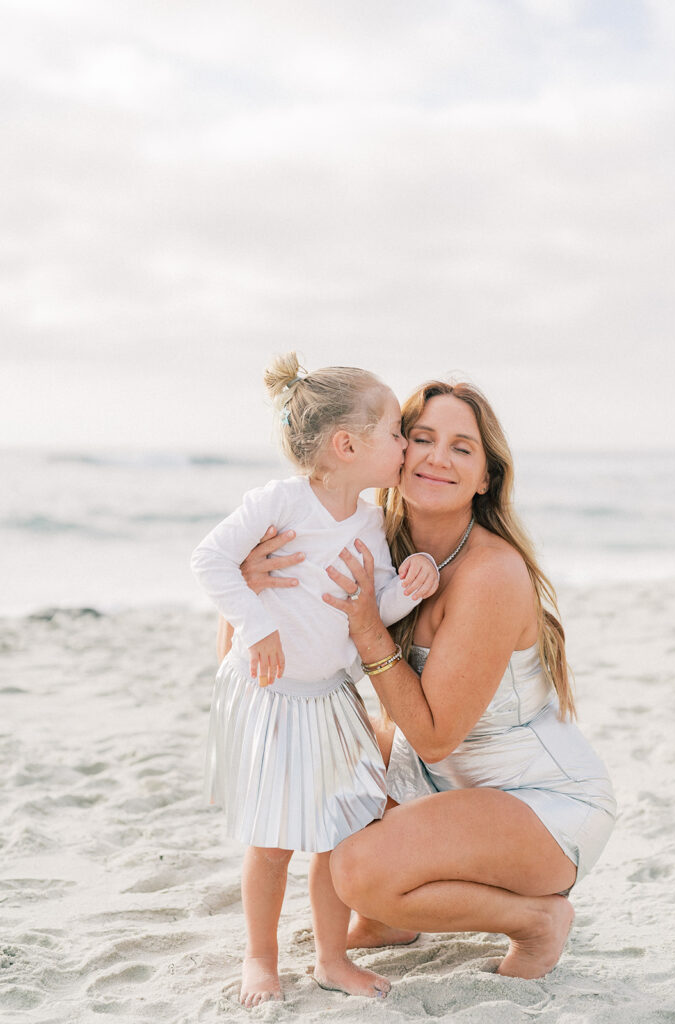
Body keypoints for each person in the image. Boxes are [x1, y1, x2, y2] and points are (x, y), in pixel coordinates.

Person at [236, 379, 617, 981]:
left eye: (463, 448)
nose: (438, 457)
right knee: (332, 762)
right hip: (442, 781)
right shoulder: (374, 542)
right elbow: (257, 654)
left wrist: (368, 629)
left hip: (541, 805)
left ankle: (536, 921)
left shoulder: (491, 573)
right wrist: (251, 589)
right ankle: (392, 920)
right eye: (422, 438)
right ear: (395, 450)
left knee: (358, 868)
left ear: (486, 477)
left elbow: (435, 737)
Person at [190, 354, 439, 1007]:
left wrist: (406, 590)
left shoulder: (370, 523)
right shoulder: (278, 502)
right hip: (270, 695)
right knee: (272, 842)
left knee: (337, 832)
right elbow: (210, 560)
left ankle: (332, 957)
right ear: (346, 444)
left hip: (331, 699)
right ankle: (260, 957)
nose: (405, 446)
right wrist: (257, 626)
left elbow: (370, 605)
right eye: (396, 433)